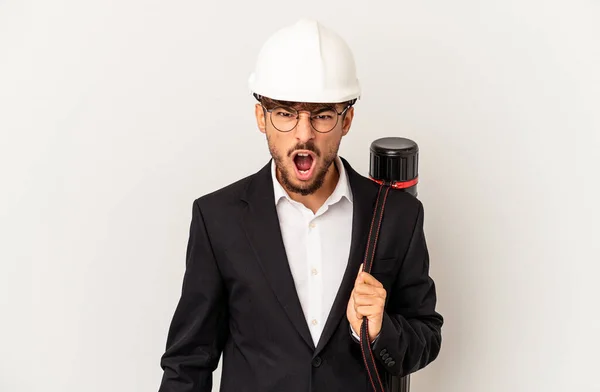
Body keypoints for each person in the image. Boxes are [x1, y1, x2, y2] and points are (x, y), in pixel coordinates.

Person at [158, 19, 443, 392]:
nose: (304, 134)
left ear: (347, 120)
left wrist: (379, 331)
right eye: (286, 113)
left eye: (323, 115)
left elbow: (426, 336)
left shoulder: (396, 217)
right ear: (262, 117)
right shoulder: (219, 220)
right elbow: (188, 361)